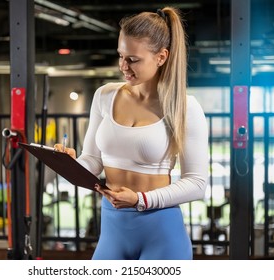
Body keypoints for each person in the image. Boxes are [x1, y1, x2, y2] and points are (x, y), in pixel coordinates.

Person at [55, 6, 208, 260]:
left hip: (161, 232)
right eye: (120, 56)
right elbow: (92, 161)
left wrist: (140, 199)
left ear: (161, 57)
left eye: (133, 59)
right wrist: (70, 164)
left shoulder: (184, 107)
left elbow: (197, 184)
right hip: (113, 230)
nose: (123, 66)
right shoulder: (104, 96)